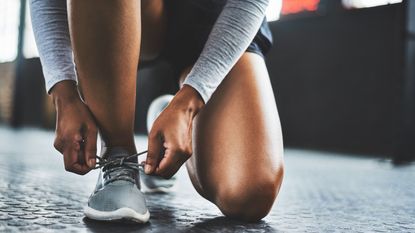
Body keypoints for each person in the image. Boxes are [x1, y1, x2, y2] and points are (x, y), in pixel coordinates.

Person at [30, 0, 284, 223]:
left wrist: (189, 103)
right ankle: (119, 156)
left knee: (249, 194)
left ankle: (173, 121)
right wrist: (63, 94)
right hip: (123, 10)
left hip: (213, 16)